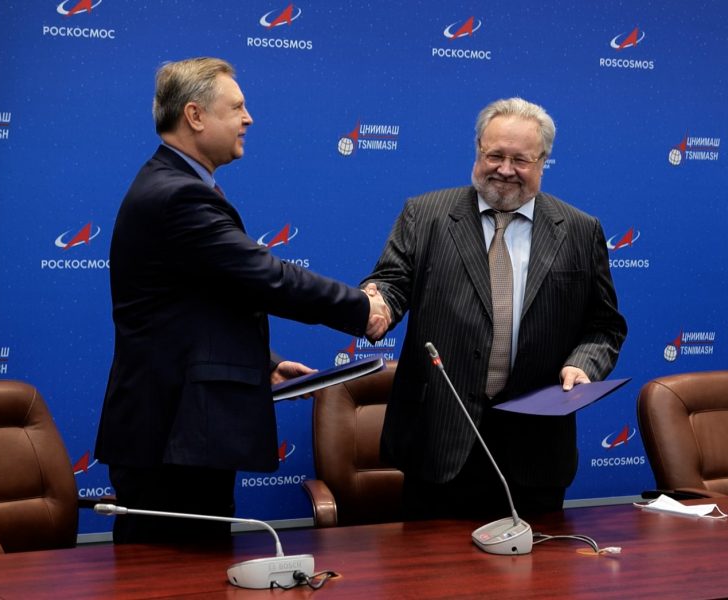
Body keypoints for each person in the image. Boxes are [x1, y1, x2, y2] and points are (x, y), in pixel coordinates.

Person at [94, 57, 390, 544]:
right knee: (172, 573)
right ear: (195, 115)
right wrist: (362, 308)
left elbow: (204, 304)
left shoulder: (176, 185)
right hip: (172, 438)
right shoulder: (178, 196)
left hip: (179, 435)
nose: (248, 119)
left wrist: (262, 364)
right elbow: (265, 278)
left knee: (195, 569)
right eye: (236, 107)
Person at [362, 97, 627, 520]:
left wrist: (583, 364)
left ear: (543, 162)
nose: (504, 169)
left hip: (536, 450)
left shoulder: (580, 230)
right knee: (430, 563)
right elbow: (392, 284)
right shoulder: (425, 215)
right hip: (438, 443)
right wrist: (379, 305)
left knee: (538, 563)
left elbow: (604, 326)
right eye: (495, 155)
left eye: (520, 159)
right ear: (478, 151)